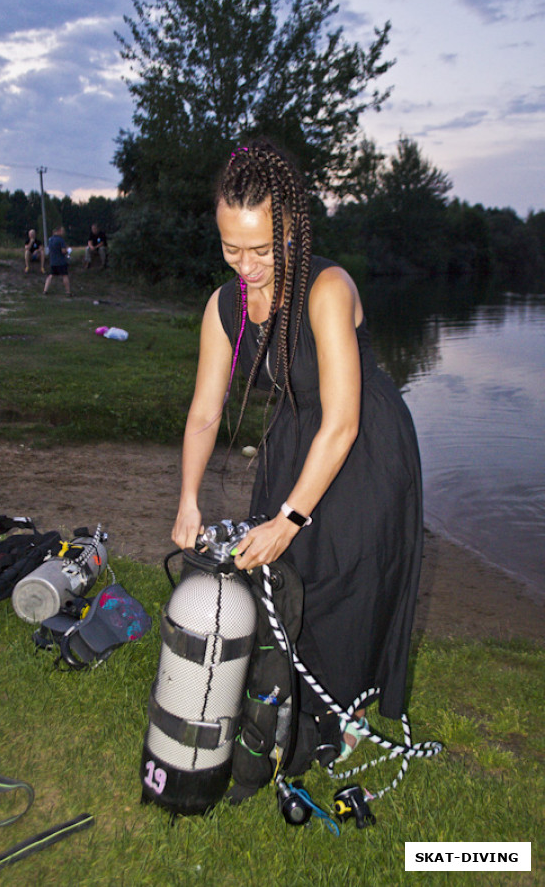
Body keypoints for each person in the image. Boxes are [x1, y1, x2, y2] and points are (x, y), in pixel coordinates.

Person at [172, 139, 423, 775]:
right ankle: (290, 700)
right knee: (284, 580)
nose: (247, 265)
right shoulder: (225, 306)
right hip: (294, 434)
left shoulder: (327, 288)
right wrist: (188, 498)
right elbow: (205, 412)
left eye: (262, 249)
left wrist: (291, 517)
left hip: (365, 441)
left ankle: (349, 716)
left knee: (345, 576)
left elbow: (341, 422)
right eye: (232, 248)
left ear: (290, 230)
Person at [43, 225, 71, 296]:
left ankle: (45, 290)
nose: (63, 232)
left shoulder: (50, 240)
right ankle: (68, 292)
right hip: (61, 261)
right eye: (62, 231)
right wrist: (68, 251)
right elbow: (63, 251)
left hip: (53, 261)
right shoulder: (61, 240)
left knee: (50, 276)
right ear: (59, 231)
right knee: (65, 276)